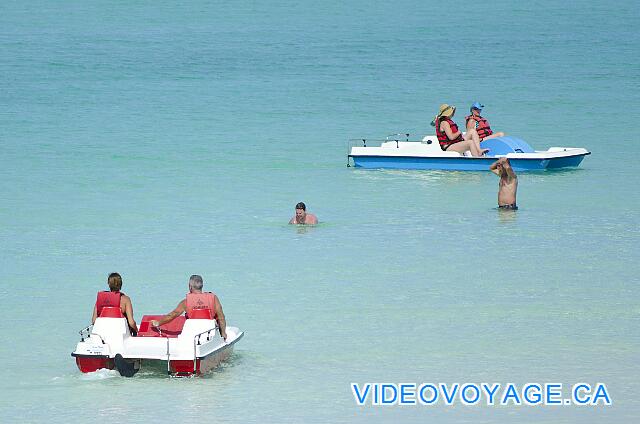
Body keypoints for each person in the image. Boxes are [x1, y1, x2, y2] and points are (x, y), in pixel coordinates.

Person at [151, 275, 227, 340]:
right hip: (210, 332)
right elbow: (221, 317)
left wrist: (158, 323)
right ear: (202, 286)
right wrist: (223, 333)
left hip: (192, 332)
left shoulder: (186, 302)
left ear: (190, 287)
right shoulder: (213, 298)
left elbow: (172, 315)